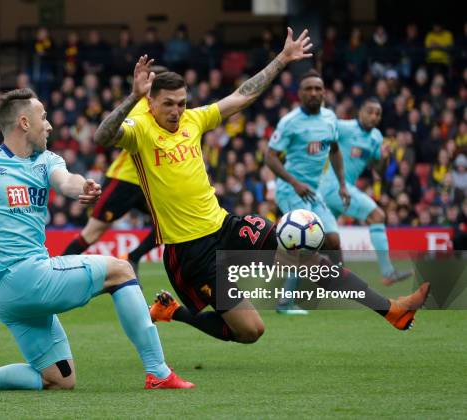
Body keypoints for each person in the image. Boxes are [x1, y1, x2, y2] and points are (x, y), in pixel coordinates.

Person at [93, 30, 429, 345]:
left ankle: (391, 310)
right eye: (169, 103)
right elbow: (102, 136)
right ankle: (173, 312)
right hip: (190, 252)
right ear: (150, 102)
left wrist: (282, 59)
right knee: (251, 332)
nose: (177, 111)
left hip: (226, 226)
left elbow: (243, 95)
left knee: (306, 259)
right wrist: (131, 97)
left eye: (182, 102)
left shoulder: (193, 120)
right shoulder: (140, 130)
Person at [0, 88, 194, 391]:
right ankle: (158, 372)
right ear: (24, 123)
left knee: (60, 379)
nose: (49, 125)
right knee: (122, 270)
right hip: (27, 278)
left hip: (10, 295)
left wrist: (82, 189)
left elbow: (66, 181)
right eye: (44, 117)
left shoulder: (47, 160)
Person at [62, 67, 170, 274]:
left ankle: (133, 257)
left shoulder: (169, 113)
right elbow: (116, 136)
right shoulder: (140, 109)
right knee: (92, 234)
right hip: (124, 181)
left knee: (167, 223)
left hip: (149, 184)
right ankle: (55, 271)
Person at [265, 69, 349, 315]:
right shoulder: (289, 122)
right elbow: (269, 157)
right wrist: (293, 182)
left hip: (313, 191)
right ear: (300, 94)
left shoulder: (330, 119)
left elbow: (334, 150)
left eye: (318, 89)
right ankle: (284, 302)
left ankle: (341, 284)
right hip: (290, 189)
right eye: (308, 89)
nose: (313, 93)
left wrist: (343, 184)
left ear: (324, 92)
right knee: (300, 241)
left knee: (332, 240)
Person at [318, 97, 413, 285]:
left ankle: (287, 295)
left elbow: (379, 171)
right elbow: (323, 127)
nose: (374, 116)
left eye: (377, 113)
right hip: (334, 187)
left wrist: (385, 158)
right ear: (360, 111)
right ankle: (388, 272)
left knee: (317, 241)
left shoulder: (376, 137)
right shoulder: (345, 127)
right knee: (377, 215)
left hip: (338, 191)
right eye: (370, 111)